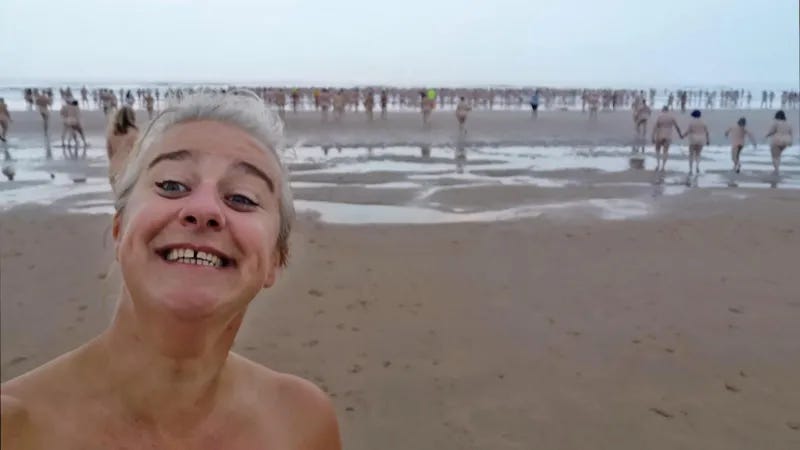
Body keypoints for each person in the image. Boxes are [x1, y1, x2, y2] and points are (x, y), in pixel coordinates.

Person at [0, 91, 342, 449]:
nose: (204, 209)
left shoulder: (301, 423)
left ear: (276, 258)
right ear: (119, 230)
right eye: (171, 185)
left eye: (242, 198)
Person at [106, 106, 139, 188]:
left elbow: (109, 153)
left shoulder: (112, 132)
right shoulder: (135, 132)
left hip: (114, 169)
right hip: (128, 169)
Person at [651, 106, 682, 172]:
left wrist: (652, 137)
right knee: (665, 151)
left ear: (662, 110)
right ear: (668, 110)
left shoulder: (659, 117)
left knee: (657, 150)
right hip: (668, 135)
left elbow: (655, 127)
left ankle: (658, 164)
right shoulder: (672, 117)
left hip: (660, 135)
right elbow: (677, 127)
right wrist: (680, 135)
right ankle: (663, 167)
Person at [680, 110, 710, 174]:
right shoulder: (703, 122)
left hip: (693, 139)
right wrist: (708, 140)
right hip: (701, 138)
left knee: (691, 154)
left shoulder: (691, 122)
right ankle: (697, 166)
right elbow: (707, 132)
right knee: (698, 154)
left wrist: (683, 136)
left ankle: (690, 169)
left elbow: (688, 131)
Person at [764, 110, 793, 174]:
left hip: (777, 140)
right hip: (786, 141)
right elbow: (790, 133)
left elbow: (771, 131)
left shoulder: (776, 122)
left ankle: (776, 170)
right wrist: (791, 141)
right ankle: (777, 168)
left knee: (774, 156)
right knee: (778, 155)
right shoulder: (788, 123)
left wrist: (766, 135)